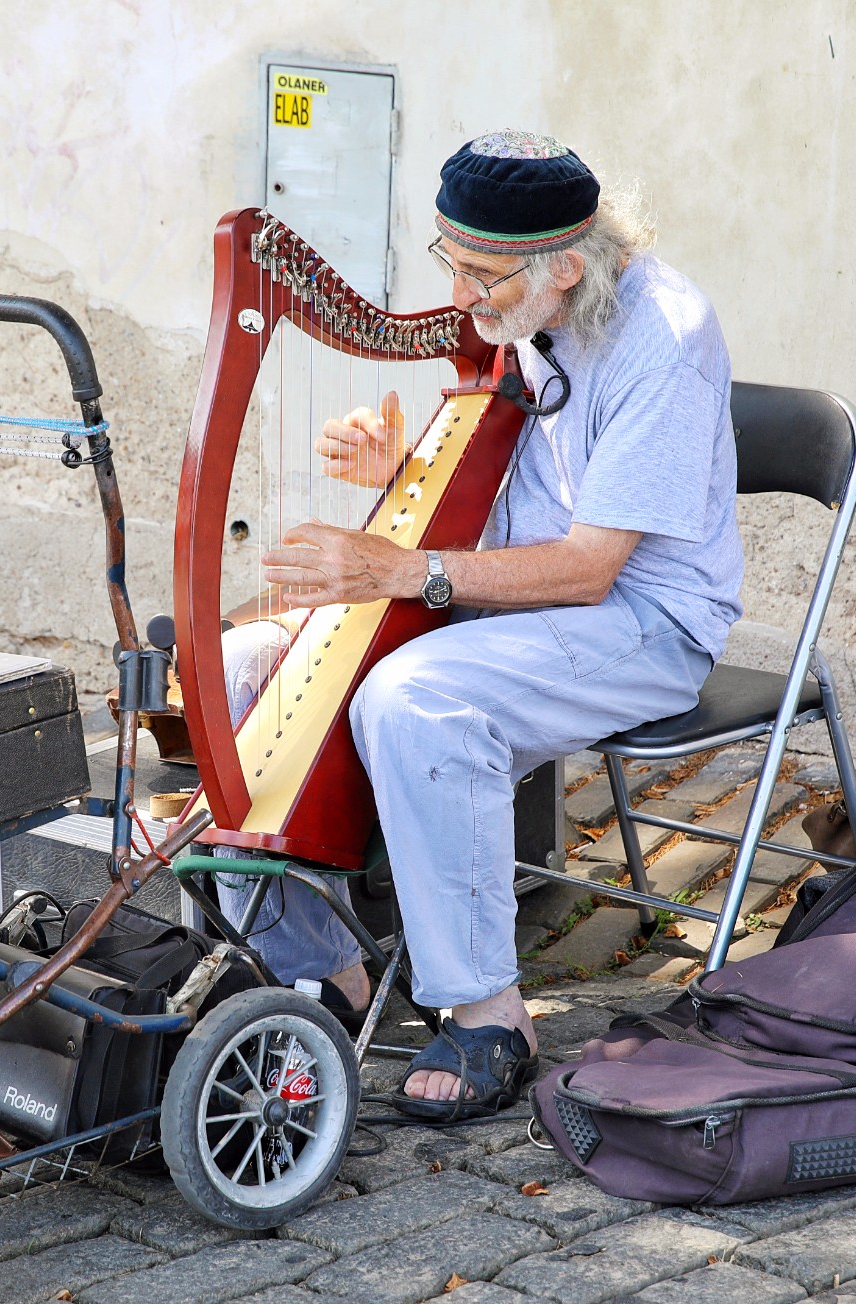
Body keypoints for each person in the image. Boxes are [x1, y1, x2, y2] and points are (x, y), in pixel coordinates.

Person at [231, 129, 744, 1120]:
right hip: (518, 602)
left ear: (564, 262)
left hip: (643, 619)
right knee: (238, 666)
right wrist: (397, 475)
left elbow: (592, 567)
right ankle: (328, 975)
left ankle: (486, 1012)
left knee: (413, 698)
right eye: (448, 262)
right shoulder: (534, 313)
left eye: (481, 275)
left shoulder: (661, 339)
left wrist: (399, 565)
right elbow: (509, 493)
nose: (458, 297)